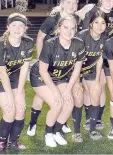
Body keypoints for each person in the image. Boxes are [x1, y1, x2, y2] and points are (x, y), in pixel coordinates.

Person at [27, 0, 79, 137]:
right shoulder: (53, 19)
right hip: (48, 64)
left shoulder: (75, 19)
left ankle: (61, 122)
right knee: (41, 96)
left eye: (74, 2)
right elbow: (39, 37)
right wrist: (40, 59)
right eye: (68, 2)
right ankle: (33, 123)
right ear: (62, 4)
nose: (72, 5)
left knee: (64, 96)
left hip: (62, 65)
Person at [29, 15, 85, 147]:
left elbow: (77, 70)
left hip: (61, 76)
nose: (69, 31)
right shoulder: (50, 44)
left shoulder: (78, 44)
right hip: (41, 76)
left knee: (69, 103)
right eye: (65, 27)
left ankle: (56, 132)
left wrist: (67, 90)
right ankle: (48, 134)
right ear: (59, 28)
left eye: (72, 28)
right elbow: (43, 71)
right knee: (57, 103)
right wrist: (55, 92)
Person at [0, 13, 33, 153]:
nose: (17, 29)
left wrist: (19, 93)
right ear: (8, 27)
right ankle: (1, 144)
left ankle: (14, 142)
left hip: (14, 74)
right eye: (14, 25)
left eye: (21, 26)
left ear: (25, 28)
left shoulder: (28, 42)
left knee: (21, 109)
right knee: (10, 109)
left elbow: (24, 69)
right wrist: (11, 96)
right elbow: (2, 73)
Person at [76, 0, 113, 136]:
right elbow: (84, 35)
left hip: (106, 56)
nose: (108, 1)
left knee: (101, 86)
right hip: (90, 57)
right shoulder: (92, 12)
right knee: (89, 88)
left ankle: (97, 118)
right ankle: (89, 119)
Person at [74, 11, 108, 141]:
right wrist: (77, 82)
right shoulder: (81, 37)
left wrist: (97, 80)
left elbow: (99, 59)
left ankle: (92, 128)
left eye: (103, 23)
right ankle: (77, 132)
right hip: (74, 72)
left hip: (91, 70)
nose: (100, 26)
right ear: (90, 24)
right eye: (96, 22)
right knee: (77, 97)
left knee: (96, 92)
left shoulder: (104, 39)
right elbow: (76, 61)